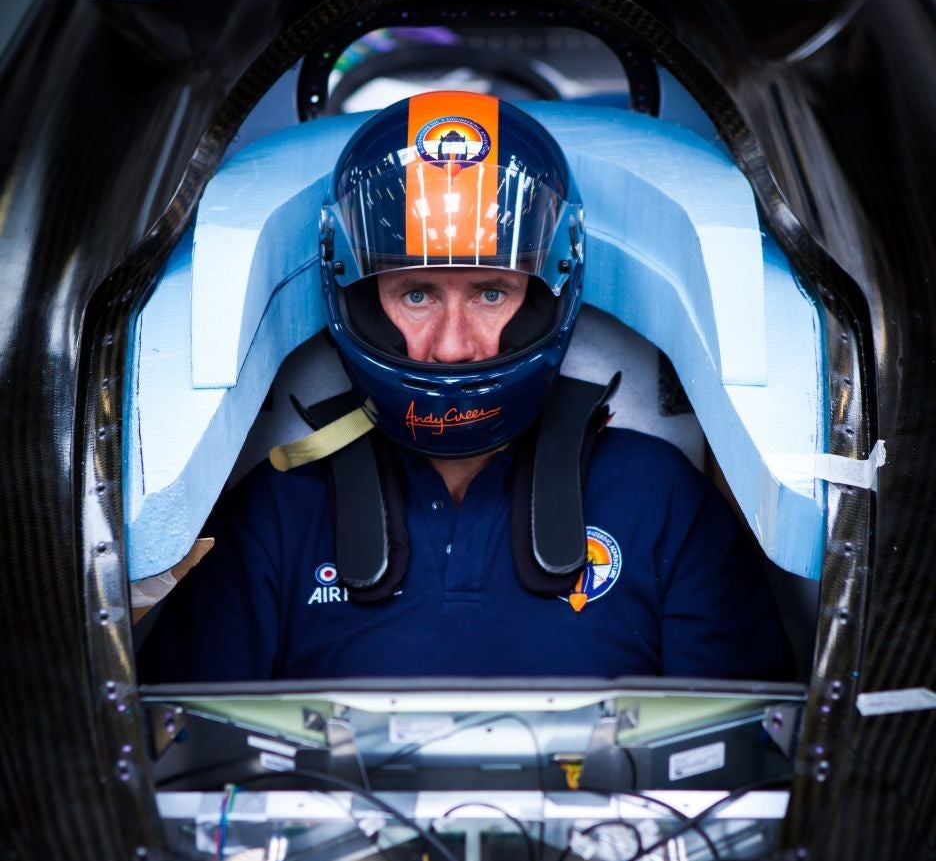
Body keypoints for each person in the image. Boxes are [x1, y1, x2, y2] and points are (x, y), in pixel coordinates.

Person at [137, 90, 794, 683]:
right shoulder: (276, 515)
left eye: (491, 291)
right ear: (359, 297)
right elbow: (183, 761)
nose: (453, 346)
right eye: (416, 293)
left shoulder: (662, 502)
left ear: (547, 292)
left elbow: (754, 762)